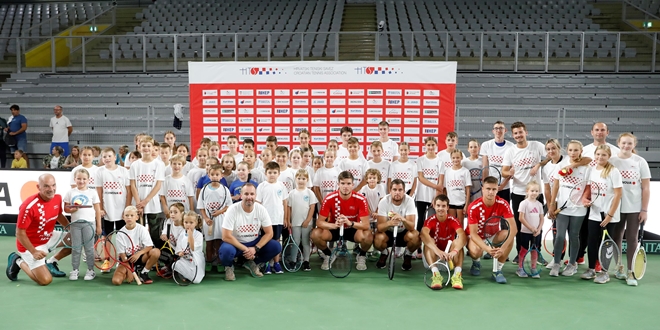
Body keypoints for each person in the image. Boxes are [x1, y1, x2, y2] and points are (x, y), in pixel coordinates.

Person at [6, 174, 71, 285]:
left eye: (53, 185)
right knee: (45, 280)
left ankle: (51, 262)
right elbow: (19, 233)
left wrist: (70, 228)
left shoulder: (57, 198)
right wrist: (34, 252)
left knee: (77, 239)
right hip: (31, 245)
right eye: (46, 186)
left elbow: (59, 215)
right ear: (38, 187)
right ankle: (17, 261)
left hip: (48, 236)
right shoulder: (28, 206)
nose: (51, 189)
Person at [610, 133, 651, 286]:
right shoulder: (611, 161)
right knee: (616, 237)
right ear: (618, 143)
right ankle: (619, 267)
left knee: (632, 239)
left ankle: (631, 271)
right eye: (624, 143)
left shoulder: (640, 162)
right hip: (616, 206)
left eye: (629, 143)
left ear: (634, 145)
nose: (626, 146)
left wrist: (644, 210)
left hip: (634, 207)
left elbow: (646, 187)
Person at [311, 171, 373, 271]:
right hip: (335, 228)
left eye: (348, 183)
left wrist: (350, 223)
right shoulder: (329, 198)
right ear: (338, 184)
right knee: (315, 234)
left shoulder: (361, 199)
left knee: (368, 236)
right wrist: (334, 226)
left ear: (353, 185)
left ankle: (362, 255)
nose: (345, 186)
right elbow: (319, 222)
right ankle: (328, 255)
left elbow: (366, 225)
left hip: (353, 229)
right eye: (343, 183)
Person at [501, 122, 545, 262]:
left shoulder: (536, 146)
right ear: (513, 135)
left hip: (536, 192)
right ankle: (520, 253)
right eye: (515, 133)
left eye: (521, 132)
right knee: (519, 225)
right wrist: (510, 172)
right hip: (519, 192)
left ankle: (536, 253)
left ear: (526, 132)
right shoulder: (510, 151)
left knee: (538, 223)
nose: (518, 135)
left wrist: (538, 164)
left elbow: (550, 156)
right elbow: (504, 171)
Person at [219, 183, 282, 281]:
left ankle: (253, 263)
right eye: (246, 194)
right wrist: (246, 249)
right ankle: (229, 267)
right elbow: (226, 236)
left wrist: (255, 248)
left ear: (255, 196)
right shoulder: (232, 209)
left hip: (254, 242)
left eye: (252, 194)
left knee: (276, 246)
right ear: (241, 195)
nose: (249, 197)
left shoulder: (261, 209)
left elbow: (269, 233)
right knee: (226, 251)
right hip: (236, 243)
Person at [548, 140, 591, 277]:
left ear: (581, 151)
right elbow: (555, 185)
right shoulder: (561, 164)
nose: (573, 153)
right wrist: (552, 203)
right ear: (567, 151)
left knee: (574, 236)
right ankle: (556, 263)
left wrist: (584, 198)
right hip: (562, 208)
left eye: (576, 150)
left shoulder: (587, 168)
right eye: (571, 150)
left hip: (578, 209)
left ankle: (572, 264)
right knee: (560, 236)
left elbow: (588, 187)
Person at [582, 145, 622, 284]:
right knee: (592, 241)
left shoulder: (614, 171)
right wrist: (585, 199)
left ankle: (604, 272)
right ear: (595, 155)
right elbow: (588, 189)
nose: (600, 157)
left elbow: (618, 194)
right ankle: (591, 269)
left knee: (606, 244)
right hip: (594, 213)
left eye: (603, 155)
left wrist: (610, 215)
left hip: (609, 215)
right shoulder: (591, 170)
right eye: (598, 154)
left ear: (608, 156)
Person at [466, 176, 517, 284]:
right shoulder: (473, 206)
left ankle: (498, 270)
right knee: (476, 252)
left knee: (508, 235)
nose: (491, 192)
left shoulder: (503, 203)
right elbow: (473, 234)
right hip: (478, 237)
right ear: (483, 189)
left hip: (493, 235)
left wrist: (502, 249)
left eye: (494, 189)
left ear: (497, 190)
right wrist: (487, 249)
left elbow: (514, 229)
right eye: (488, 189)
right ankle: (476, 262)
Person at [420, 194, 467, 290]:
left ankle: (457, 275)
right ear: (434, 206)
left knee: (458, 242)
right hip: (433, 259)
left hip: (449, 259)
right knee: (429, 241)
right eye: (438, 205)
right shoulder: (430, 220)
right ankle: (436, 275)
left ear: (448, 207)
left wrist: (454, 252)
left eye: (443, 206)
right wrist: (437, 251)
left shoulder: (453, 220)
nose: (440, 208)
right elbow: (423, 235)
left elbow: (463, 236)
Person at [63, 168, 102, 281]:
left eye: (84, 179)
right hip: (75, 224)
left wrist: (99, 226)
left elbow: (98, 210)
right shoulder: (70, 192)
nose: (81, 181)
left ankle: (90, 270)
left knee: (89, 248)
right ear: (74, 179)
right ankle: (75, 270)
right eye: (79, 178)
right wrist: (72, 210)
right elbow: (65, 209)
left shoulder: (92, 192)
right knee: (76, 248)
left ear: (88, 180)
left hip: (89, 224)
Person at [374, 179, 420, 271]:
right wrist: (389, 223)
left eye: (400, 190)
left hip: (404, 232)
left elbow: (411, 226)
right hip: (388, 232)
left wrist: (403, 219)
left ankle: (408, 254)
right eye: (394, 190)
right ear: (390, 191)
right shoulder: (383, 201)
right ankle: (384, 253)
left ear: (404, 191)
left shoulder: (409, 201)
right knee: (378, 238)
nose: (397, 192)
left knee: (415, 236)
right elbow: (379, 227)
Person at [129, 136, 166, 248]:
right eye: (143, 145)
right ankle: (141, 259)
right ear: (139, 147)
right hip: (138, 205)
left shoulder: (159, 164)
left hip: (153, 204)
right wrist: (139, 203)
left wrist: (145, 201)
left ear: (152, 147)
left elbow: (158, 185)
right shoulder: (135, 165)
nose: (146, 148)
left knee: (155, 234)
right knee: (139, 234)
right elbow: (133, 185)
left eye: (148, 146)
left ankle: (157, 259)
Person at [111, 206, 161, 285]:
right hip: (127, 260)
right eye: (127, 215)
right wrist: (130, 271)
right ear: (123, 217)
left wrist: (138, 254)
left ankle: (144, 273)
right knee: (116, 281)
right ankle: (131, 272)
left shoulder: (142, 229)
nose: (129, 217)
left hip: (141, 257)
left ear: (137, 217)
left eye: (132, 215)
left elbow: (149, 246)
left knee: (156, 252)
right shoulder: (120, 234)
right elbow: (123, 255)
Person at [198, 164, 232, 272]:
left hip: (220, 219)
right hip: (208, 221)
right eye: (212, 174)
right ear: (208, 175)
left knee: (218, 242)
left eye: (217, 174)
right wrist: (206, 218)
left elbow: (228, 206)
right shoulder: (204, 190)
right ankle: (209, 261)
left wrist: (220, 212)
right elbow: (201, 207)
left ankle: (219, 262)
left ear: (221, 176)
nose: (214, 177)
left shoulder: (225, 189)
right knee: (208, 243)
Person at [256, 161, 288, 274]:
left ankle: (276, 263)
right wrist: (259, 220)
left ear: (279, 174)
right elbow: (258, 204)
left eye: (275, 172)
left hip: (278, 219)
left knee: (276, 240)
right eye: (270, 172)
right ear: (265, 173)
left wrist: (285, 219)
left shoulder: (281, 186)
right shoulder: (261, 186)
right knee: (266, 241)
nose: (272, 174)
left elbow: (284, 204)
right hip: (265, 221)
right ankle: (267, 263)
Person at [287, 169, 318, 271]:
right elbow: (289, 208)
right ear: (295, 179)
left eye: (303, 178)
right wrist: (288, 221)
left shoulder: (310, 193)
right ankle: (293, 261)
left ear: (307, 180)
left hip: (306, 223)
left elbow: (312, 207)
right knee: (295, 241)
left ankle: (306, 261)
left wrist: (308, 220)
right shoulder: (291, 193)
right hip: (295, 223)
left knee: (305, 242)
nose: (301, 180)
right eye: (299, 178)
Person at [480, 121, 515, 201]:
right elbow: (485, 168)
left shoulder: (511, 147)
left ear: (505, 130)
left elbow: (511, 170)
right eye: (496, 128)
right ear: (493, 131)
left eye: (501, 128)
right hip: (490, 187)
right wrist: (485, 185)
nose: (498, 130)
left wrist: (503, 185)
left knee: (503, 212)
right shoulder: (486, 145)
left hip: (504, 187)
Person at [516, 181, 544, 278]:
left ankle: (533, 268)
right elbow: (521, 218)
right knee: (523, 250)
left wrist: (539, 229)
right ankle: (520, 268)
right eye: (532, 191)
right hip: (525, 232)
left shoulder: (539, 205)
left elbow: (542, 218)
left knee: (534, 250)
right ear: (527, 191)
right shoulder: (523, 203)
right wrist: (531, 228)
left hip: (536, 233)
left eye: (536, 191)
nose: (534, 193)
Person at [416, 137, 443, 231]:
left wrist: (436, 197)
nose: (431, 147)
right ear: (425, 146)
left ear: (436, 145)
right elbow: (421, 178)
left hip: (434, 197)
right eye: (428, 145)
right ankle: (418, 244)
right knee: (420, 220)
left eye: (433, 145)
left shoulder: (440, 161)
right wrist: (436, 186)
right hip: (421, 196)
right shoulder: (420, 160)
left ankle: (431, 243)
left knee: (433, 222)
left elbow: (441, 181)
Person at [172, 211, 205, 284]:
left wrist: (190, 235)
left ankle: (190, 276)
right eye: (186, 222)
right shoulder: (182, 234)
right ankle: (184, 275)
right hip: (185, 259)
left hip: (196, 260)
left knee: (197, 281)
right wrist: (180, 252)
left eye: (191, 223)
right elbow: (178, 248)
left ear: (196, 223)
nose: (188, 225)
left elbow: (193, 248)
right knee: (174, 265)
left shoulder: (198, 235)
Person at [440, 149, 471, 226]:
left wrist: (466, 204)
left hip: (461, 202)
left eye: (457, 157)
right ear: (451, 159)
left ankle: (461, 238)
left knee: (460, 223)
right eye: (453, 158)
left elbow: (468, 189)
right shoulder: (447, 172)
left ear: (461, 158)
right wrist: (445, 203)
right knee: (451, 222)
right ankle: (452, 238)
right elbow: (445, 190)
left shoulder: (465, 171)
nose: (455, 159)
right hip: (451, 202)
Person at [462, 139, 482, 204]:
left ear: (479, 148)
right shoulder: (464, 162)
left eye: (475, 147)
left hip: (480, 192)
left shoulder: (483, 161)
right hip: (468, 193)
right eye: (471, 147)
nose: (473, 149)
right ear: (468, 149)